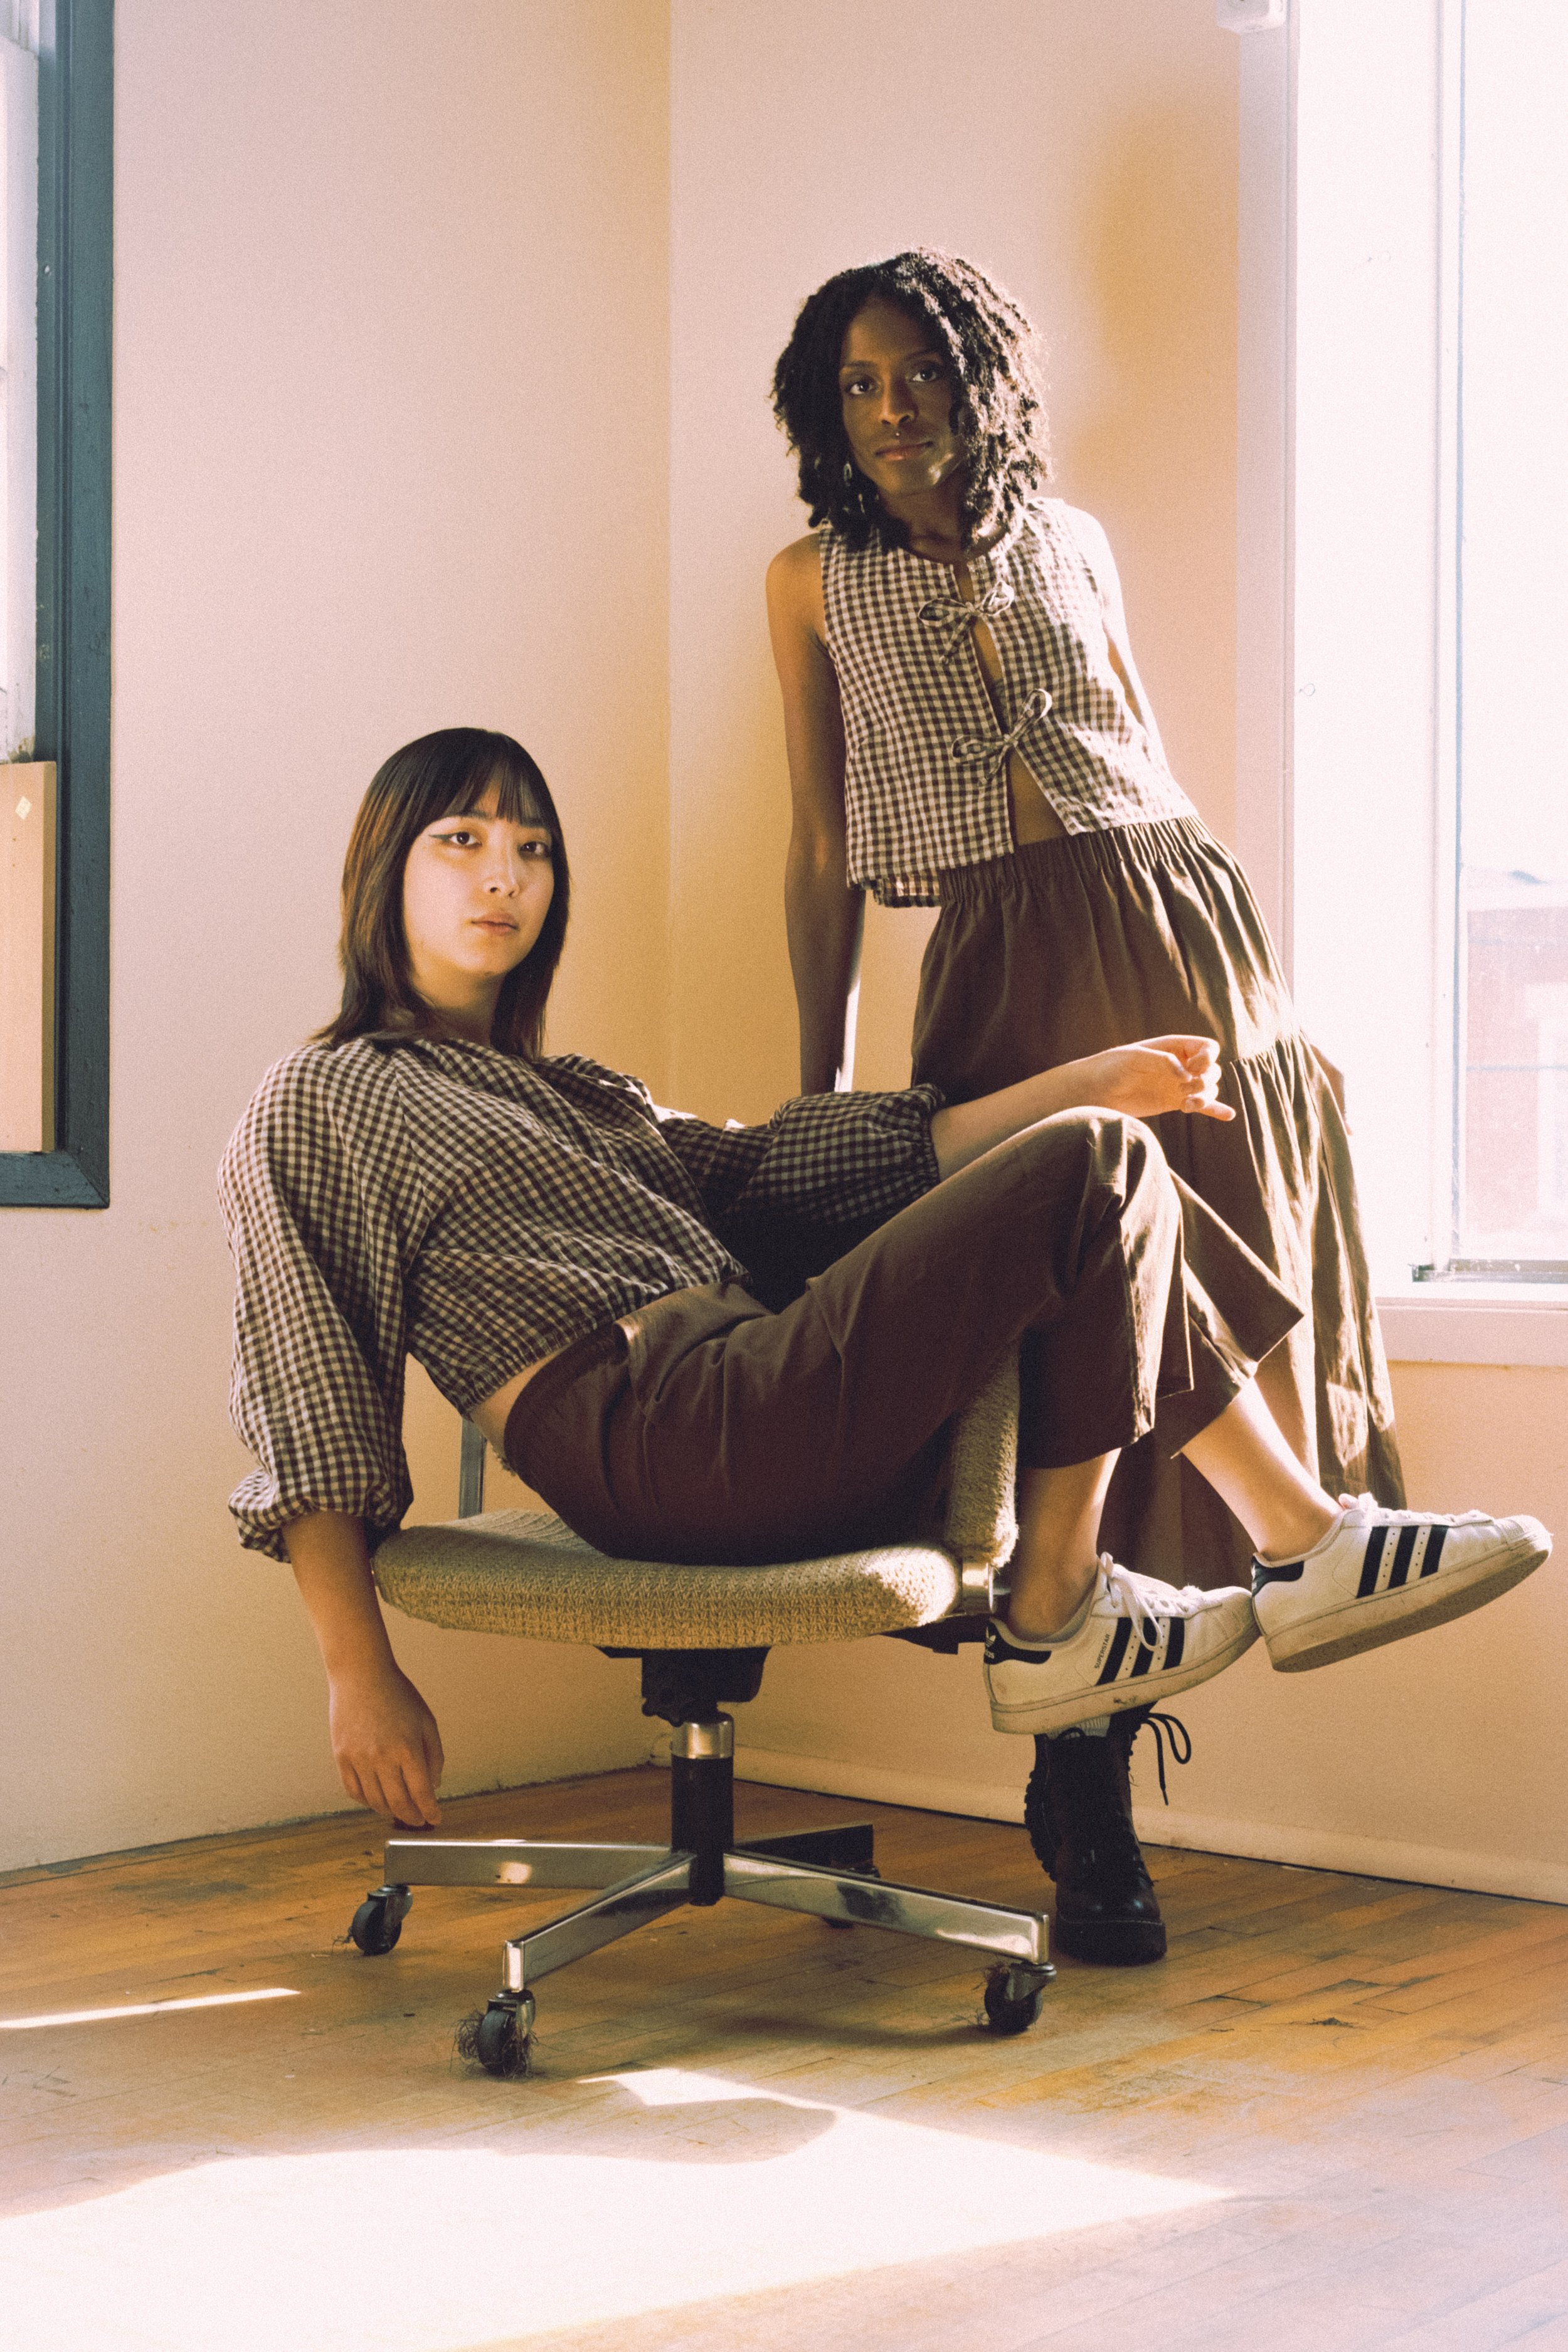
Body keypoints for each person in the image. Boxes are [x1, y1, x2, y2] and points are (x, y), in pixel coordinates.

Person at [221, 728, 1548, 1926]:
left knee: (1101, 1171)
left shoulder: (580, 1095)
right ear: (383, 871)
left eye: (533, 849)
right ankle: (1167, 1580)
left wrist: (1085, 1080)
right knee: (1096, 1165)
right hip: (662, 1435)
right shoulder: (326, 1094)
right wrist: (358, 1671)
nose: (503, 875)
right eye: (460, 840)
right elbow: (309, 1388)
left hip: (753, 1402)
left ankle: (1191, 1575)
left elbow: (786, 1169)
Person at [766, 250, 1404, 1959]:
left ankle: (1102, 1754)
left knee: (1195, 1341)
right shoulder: (808, 583)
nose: (892, 407)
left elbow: (1144, 758)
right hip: (994, 967)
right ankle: (1079, 1759)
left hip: (1176, 929)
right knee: (1067, 1349)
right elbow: (822, 849)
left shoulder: (1074, 539)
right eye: (856, 383)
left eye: (920, 371)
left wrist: (1272, 1018)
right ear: (824, 413)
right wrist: (820, 1086)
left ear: (981, 382)